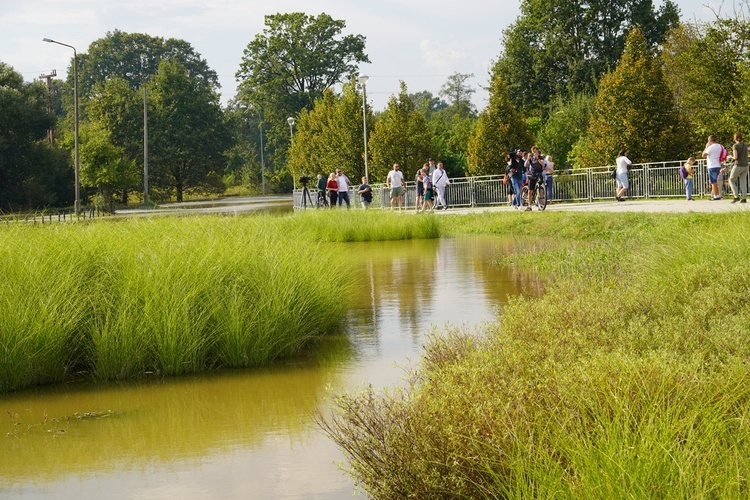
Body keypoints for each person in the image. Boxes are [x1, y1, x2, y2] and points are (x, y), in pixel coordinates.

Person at [524, 146, 545, 211]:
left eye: (535, 151)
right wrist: (527, 159)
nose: (534, 152)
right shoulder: (531, 158)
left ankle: (541, 204)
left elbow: (543, 164)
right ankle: (529, 205)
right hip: (533, 174)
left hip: (539, 174)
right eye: (533, 151)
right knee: (530, 190)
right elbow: (525, 165)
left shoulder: (541, 157)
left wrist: (537, 158)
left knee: (541, 189)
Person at [702, 135, 723, 200]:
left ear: (709, 140)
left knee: (713, 182)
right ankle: (718, 194)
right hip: (718, 165)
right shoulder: (720, 146)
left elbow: (703, 155)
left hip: (712, 165)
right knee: (716, 181)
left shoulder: (711, 147)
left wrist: (706, 147)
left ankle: (716, 196)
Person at [729, 132, 748, 203]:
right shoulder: (745, 145)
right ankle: (744, 198)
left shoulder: (735, 146)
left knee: (731, 180)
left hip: (738, 165)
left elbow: (735, 157)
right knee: (743, 181)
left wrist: (730, 156)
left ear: (735, 138)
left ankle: (736, 196)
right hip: (746, 165)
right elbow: (746, 154)